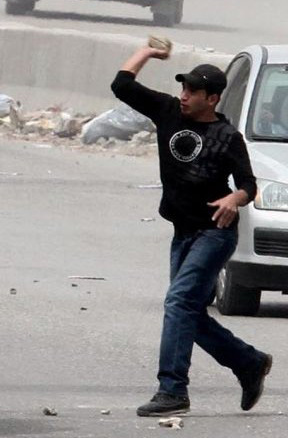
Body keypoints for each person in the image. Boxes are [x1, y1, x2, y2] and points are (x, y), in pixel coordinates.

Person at [111, 45, 272, 417]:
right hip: (182, 232)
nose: (184, 97)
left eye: (192, 93)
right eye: (182, 89)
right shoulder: (168, 111)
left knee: (178, 304)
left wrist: (235, 198)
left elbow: (248, 183)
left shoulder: (226, 135)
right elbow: (122, 85)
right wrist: (146, 52)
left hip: (214, 233)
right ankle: (248, 362)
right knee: (190, 315)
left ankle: (172, 390)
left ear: (212, 99)